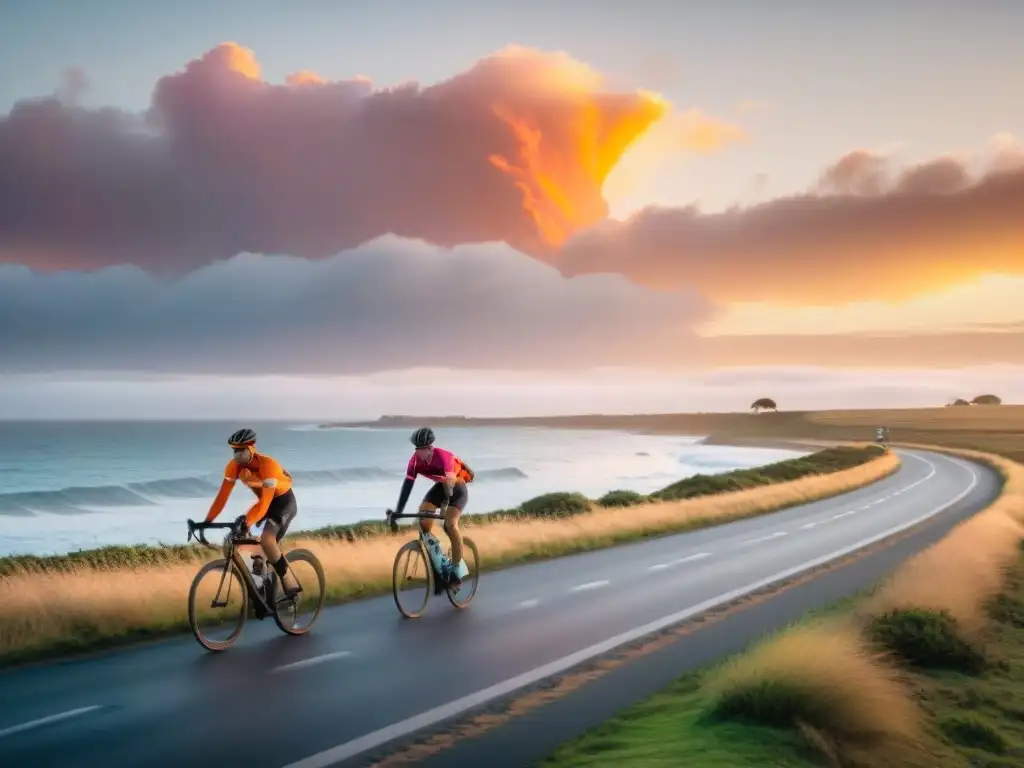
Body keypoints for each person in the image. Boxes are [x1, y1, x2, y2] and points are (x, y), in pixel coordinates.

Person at [204, 428, 302, 599]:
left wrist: (247, 522)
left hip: (283, 503)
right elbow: (221, 498)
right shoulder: (233, 467)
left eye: (241, 450)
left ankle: (288, 582)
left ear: (251, 449)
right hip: (264, 504)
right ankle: (261, 586)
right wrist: (206, 522)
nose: (237, 455)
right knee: (237, 544)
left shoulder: (268, 465)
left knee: (266, 541)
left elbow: (265, 504)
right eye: (235, 450)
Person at [392, 427, 474, 585]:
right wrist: (398, 512)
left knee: (449, 524)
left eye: (422, 449)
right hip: (440, 487)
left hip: (456, 489)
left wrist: (445, 504)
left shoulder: (444, 456)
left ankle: (456, 570)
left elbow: (450, 481)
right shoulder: (414, 462)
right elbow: (407, 486)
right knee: (423, 521)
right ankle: (439, 558)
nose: (418, 452)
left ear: (430, 448)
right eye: (417, 449)